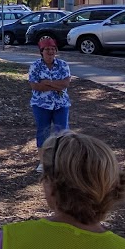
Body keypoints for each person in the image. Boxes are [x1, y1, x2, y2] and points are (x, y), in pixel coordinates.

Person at [28, 37, 72, 171]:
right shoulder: (35, 66)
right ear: (41, 51)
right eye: (47, 49)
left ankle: (63, 161)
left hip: (61, 104)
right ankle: (43, 162)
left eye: (53, 49)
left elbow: (65, 84)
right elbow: (35, 86)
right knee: (43, 131)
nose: (50, 52)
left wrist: (47, 82)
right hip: (41, 105)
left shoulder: (63, 64)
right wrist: (56, 85)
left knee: (62, 132)